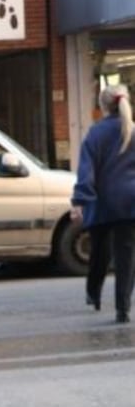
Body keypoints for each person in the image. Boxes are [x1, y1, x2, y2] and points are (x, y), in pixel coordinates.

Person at [70, 83, 135, 323]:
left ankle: (93, 293)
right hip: (130, 203)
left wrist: (79, 200)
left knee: (99, 251)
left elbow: (86, 172)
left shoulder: (95, 134)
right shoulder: (132, 130)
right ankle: (123, 308)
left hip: (103, 203)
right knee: (127, 255)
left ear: (103, 106)